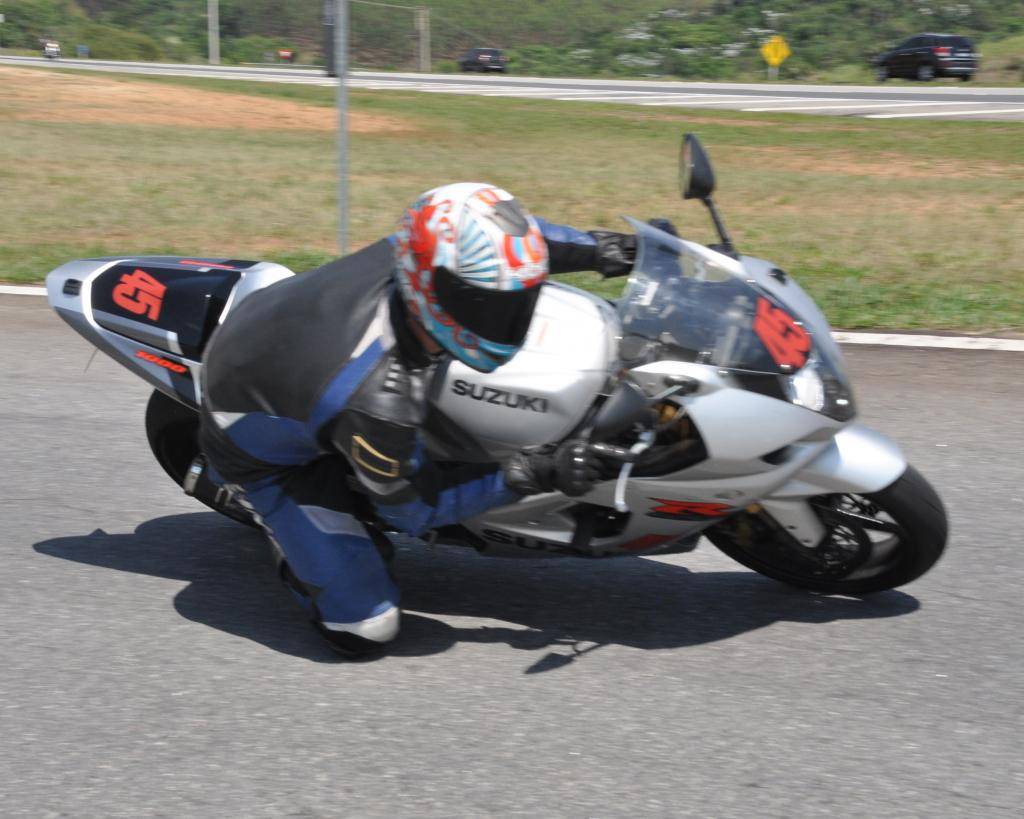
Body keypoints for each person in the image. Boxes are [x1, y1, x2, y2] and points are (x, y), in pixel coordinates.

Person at [198, 183, 636, 657]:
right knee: (366, 627)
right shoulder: (379, 401)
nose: (504, 319)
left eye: (514, 302)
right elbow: (412, 509)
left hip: (290, 334)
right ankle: (280, 527)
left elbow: (529, 245)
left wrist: (617, 250)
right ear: (429, 287)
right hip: (254, 436)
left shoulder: (424, 253)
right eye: (485, 304)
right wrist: (536, 471)